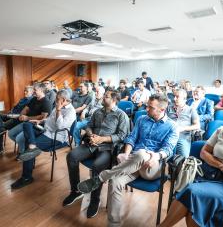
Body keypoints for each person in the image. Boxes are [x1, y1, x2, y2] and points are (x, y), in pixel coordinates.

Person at [77, 94, 178, 226]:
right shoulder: (142, 119)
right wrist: (126, 154)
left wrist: (156, 156)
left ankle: (102, 176)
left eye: (150, 107)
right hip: (132, 162)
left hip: (152, 166)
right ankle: (114, 223)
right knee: (115, 181)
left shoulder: (172, 126)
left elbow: (169, 149)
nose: (146, 109)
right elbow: (131, 138)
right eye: (147, 105)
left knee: (142, 153)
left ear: (162, 110)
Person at [62, 90, 129, 219]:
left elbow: (122, 136)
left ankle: (95, 199)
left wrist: (102, 139)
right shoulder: (98, 111)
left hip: (107, 148)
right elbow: (88, 126)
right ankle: (75, 191)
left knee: (96, 166)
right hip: (91, 144)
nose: (103, 98)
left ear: (114, 100)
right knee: (71, 156)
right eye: (104, 96)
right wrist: (90, 134)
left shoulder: (121, 115)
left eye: (106, 96)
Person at [10, 90, 76, 189]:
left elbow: (60, 126)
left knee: (29, 147)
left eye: (57, 99)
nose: (55, 101)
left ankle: (26, 177)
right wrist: (40, 121)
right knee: (27, 124)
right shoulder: (57, 106)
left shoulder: (71, 111)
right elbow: (49, 119)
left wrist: (58, 110)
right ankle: (32, 146)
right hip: (46, 130)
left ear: (64, 100)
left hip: (56, 136)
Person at [6, 83, 52, 158]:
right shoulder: (34, 99)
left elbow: (42, 117)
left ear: (41, 90)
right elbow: (26, 108)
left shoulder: (46, 102)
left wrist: (27, 118)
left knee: (19, 138)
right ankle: (25, 147)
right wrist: (21, 115)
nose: (33, 91)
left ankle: (23, 154)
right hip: (26, 122)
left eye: (35, 90)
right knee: (10, 134)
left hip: (36, 125)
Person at [0, 86, 33, 156]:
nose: (25, 92)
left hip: (17, 118)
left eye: (27, 91)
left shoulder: (31, 101)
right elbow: (15, 107)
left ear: (32, 92)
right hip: (11, 115)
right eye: (24, 91)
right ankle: (0, 131)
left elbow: (23, 113)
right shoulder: (23, 99)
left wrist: (13, 115)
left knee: (1, 127)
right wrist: (10, 112)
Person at [167, 89, 200, 157]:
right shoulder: (168, 108)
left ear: (184, 99)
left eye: (177, 97)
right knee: (164, 158)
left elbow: (197, 125)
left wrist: (183, 128)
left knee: (183, 159)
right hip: (169, 136)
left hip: (183, 137)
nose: (174, 98)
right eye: (174, 96)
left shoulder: (191, 110)